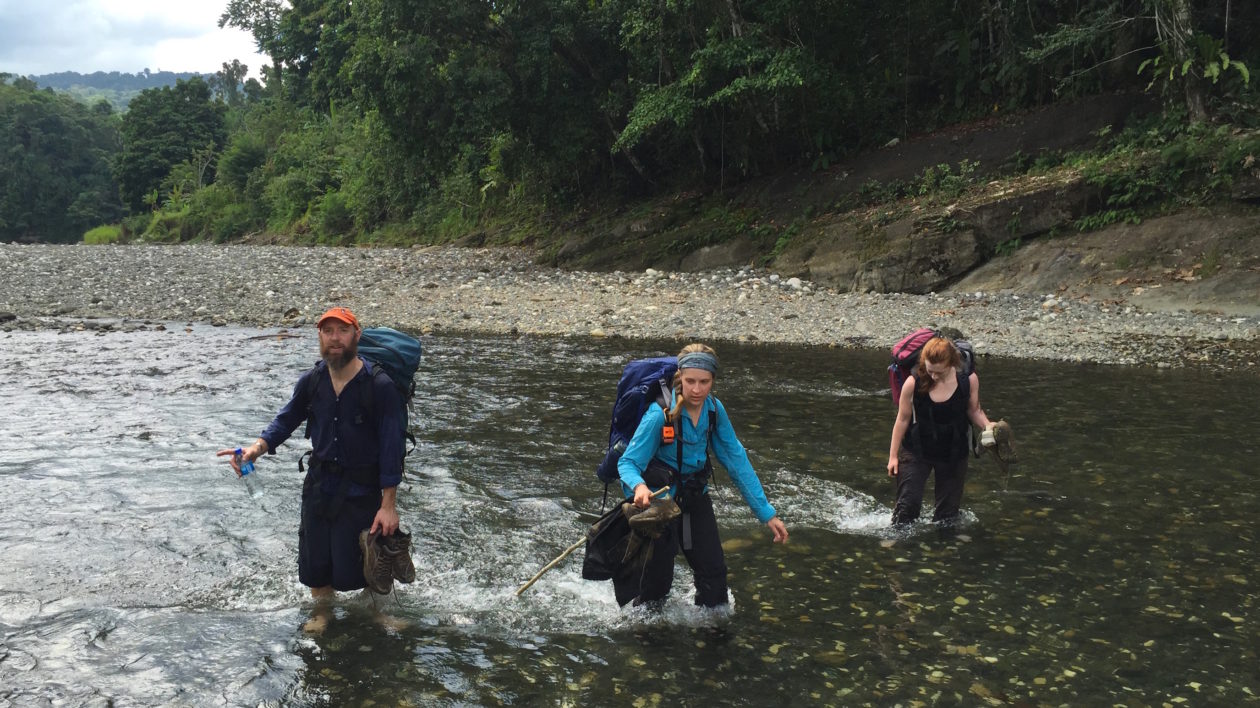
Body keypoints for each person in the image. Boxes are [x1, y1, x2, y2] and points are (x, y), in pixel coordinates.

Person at [217, 306, 406, 631]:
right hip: (319, 485)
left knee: (370, 555)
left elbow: (393, 447)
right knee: (315, 555)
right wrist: (256, 450)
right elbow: (287, 418)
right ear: (319, 336)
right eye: (328, 331)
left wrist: (389, 505)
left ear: (356, 336)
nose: (335, 338)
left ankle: (377, 613)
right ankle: (323, 613)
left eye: (342, 331)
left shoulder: (380, 386)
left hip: (364, 488)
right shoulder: (313, 380)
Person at [615, 343, 789, 609]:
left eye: (704, 382)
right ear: (680, 378)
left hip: (696, 497)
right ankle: (646, 637)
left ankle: (713, 636)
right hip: (658, 506)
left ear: (713, 381)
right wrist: (639, 487)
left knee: (715, 577)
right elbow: (628, 463)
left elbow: (736, 460)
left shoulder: (714, 411)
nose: (697, 390)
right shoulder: (659, 415)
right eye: (690, 381)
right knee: (657, 585)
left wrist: (767, 514)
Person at [886, 336, 994, 526]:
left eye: (939, 372)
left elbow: (974, 410)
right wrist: (893, 456)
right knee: (907, 507)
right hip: (917, 449)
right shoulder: (913, 383)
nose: (933, 376)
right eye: (930, 370)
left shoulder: (968, 380)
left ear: (952, 363)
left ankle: (944, 551)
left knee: (947, 515)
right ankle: (898, 546)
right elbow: (902, 419)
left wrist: (989, 426)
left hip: (954, 451)